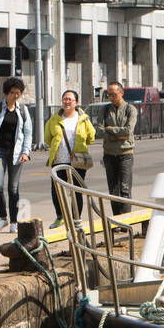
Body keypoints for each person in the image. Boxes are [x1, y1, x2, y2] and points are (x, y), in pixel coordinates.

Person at [0, 76, 33, 233]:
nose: (15, 95)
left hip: (16, 153)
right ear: (7, 92)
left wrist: (25, 152)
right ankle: (2, 218)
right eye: (12, 92)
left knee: (13, 188)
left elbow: (28, 133)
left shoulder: (22, 110)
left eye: (18, 92)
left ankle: (14, 221)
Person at [44, 88, 96, 228]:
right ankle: (60, 216)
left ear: (76, 102)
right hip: (59, 159)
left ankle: (76, 218)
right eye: (64, 99)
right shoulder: (54, 119)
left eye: (70, 99)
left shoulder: (83, 119)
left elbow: (91, 137)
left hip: (77, 161)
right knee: (56, 190)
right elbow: (48, 138)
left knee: (76, 190)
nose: (66, 102)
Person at [101, 80, 136, 215]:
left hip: (125, 153)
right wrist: (116, 135)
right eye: (108, 95)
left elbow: (128, 131)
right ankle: (117, 219)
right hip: (109, 154)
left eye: (114, 94)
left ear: (121, 93)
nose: (111, 97)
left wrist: (110, 130)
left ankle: (126, 219)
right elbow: (99, 130)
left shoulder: (130, 109)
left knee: (125, 188)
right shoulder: (105, 110)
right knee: (113, 190)